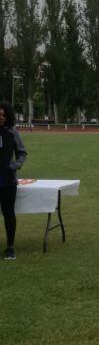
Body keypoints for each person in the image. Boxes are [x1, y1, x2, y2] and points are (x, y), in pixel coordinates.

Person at [1, 101, 27, 260]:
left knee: (8, 214)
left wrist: (14, 166)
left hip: (7, 181)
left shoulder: (12, 133)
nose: (1, 118)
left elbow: (22, 153)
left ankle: (10, 247)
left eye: (4, 115)